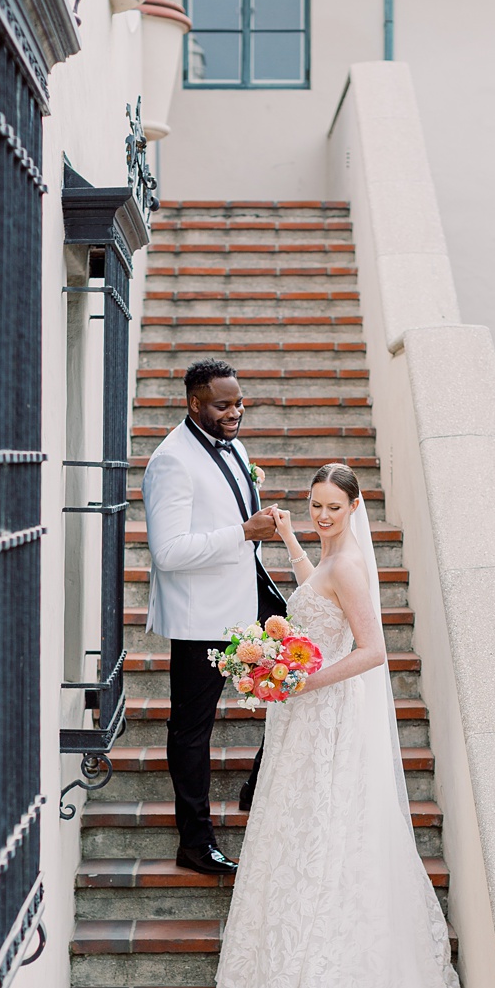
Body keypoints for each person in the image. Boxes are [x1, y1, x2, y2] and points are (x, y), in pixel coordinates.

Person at [215, 463, 487, 988]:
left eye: (333, 509)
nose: (324, 517)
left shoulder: (356, 562)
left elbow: (369, 650)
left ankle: (321, 977)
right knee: (299, 841)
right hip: (308, 718)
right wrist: (298, 545)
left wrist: (299, 678)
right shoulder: (333, 557)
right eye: (315, 507)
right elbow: (317, 597)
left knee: (328, 844)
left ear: (357, 506)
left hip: (325, 716)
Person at [140, 359, 285, 876]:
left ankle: (257, 787)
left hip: (249, 597)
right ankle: (195, 842)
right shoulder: (171, 461)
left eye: (238, 402)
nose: (235, 412)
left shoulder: (236, 445)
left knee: (308, 676)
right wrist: (243, 533)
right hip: (204, 621)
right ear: (193, 403)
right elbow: (169, 552)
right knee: (191, 730)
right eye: (223, 405)